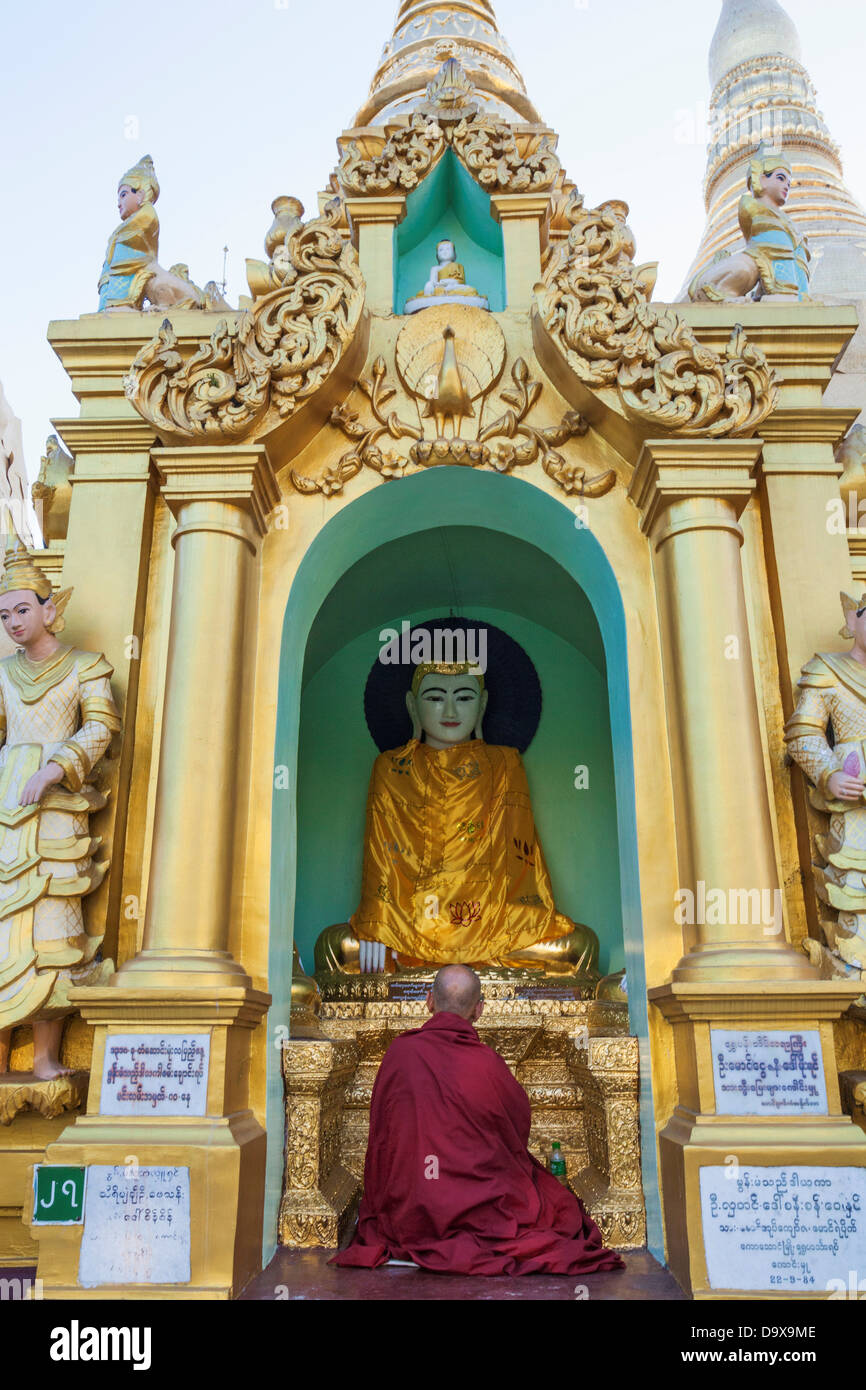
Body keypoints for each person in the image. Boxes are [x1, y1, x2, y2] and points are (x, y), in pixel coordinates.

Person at [333, 963, 625, 1276]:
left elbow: (381, 1142)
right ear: (480, 1009)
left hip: (411, 1211)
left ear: (429, 1000)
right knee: (555, 1204)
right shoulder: (487, 1063)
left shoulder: (400, 1054)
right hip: (482, 1204)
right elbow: (517, 1128)